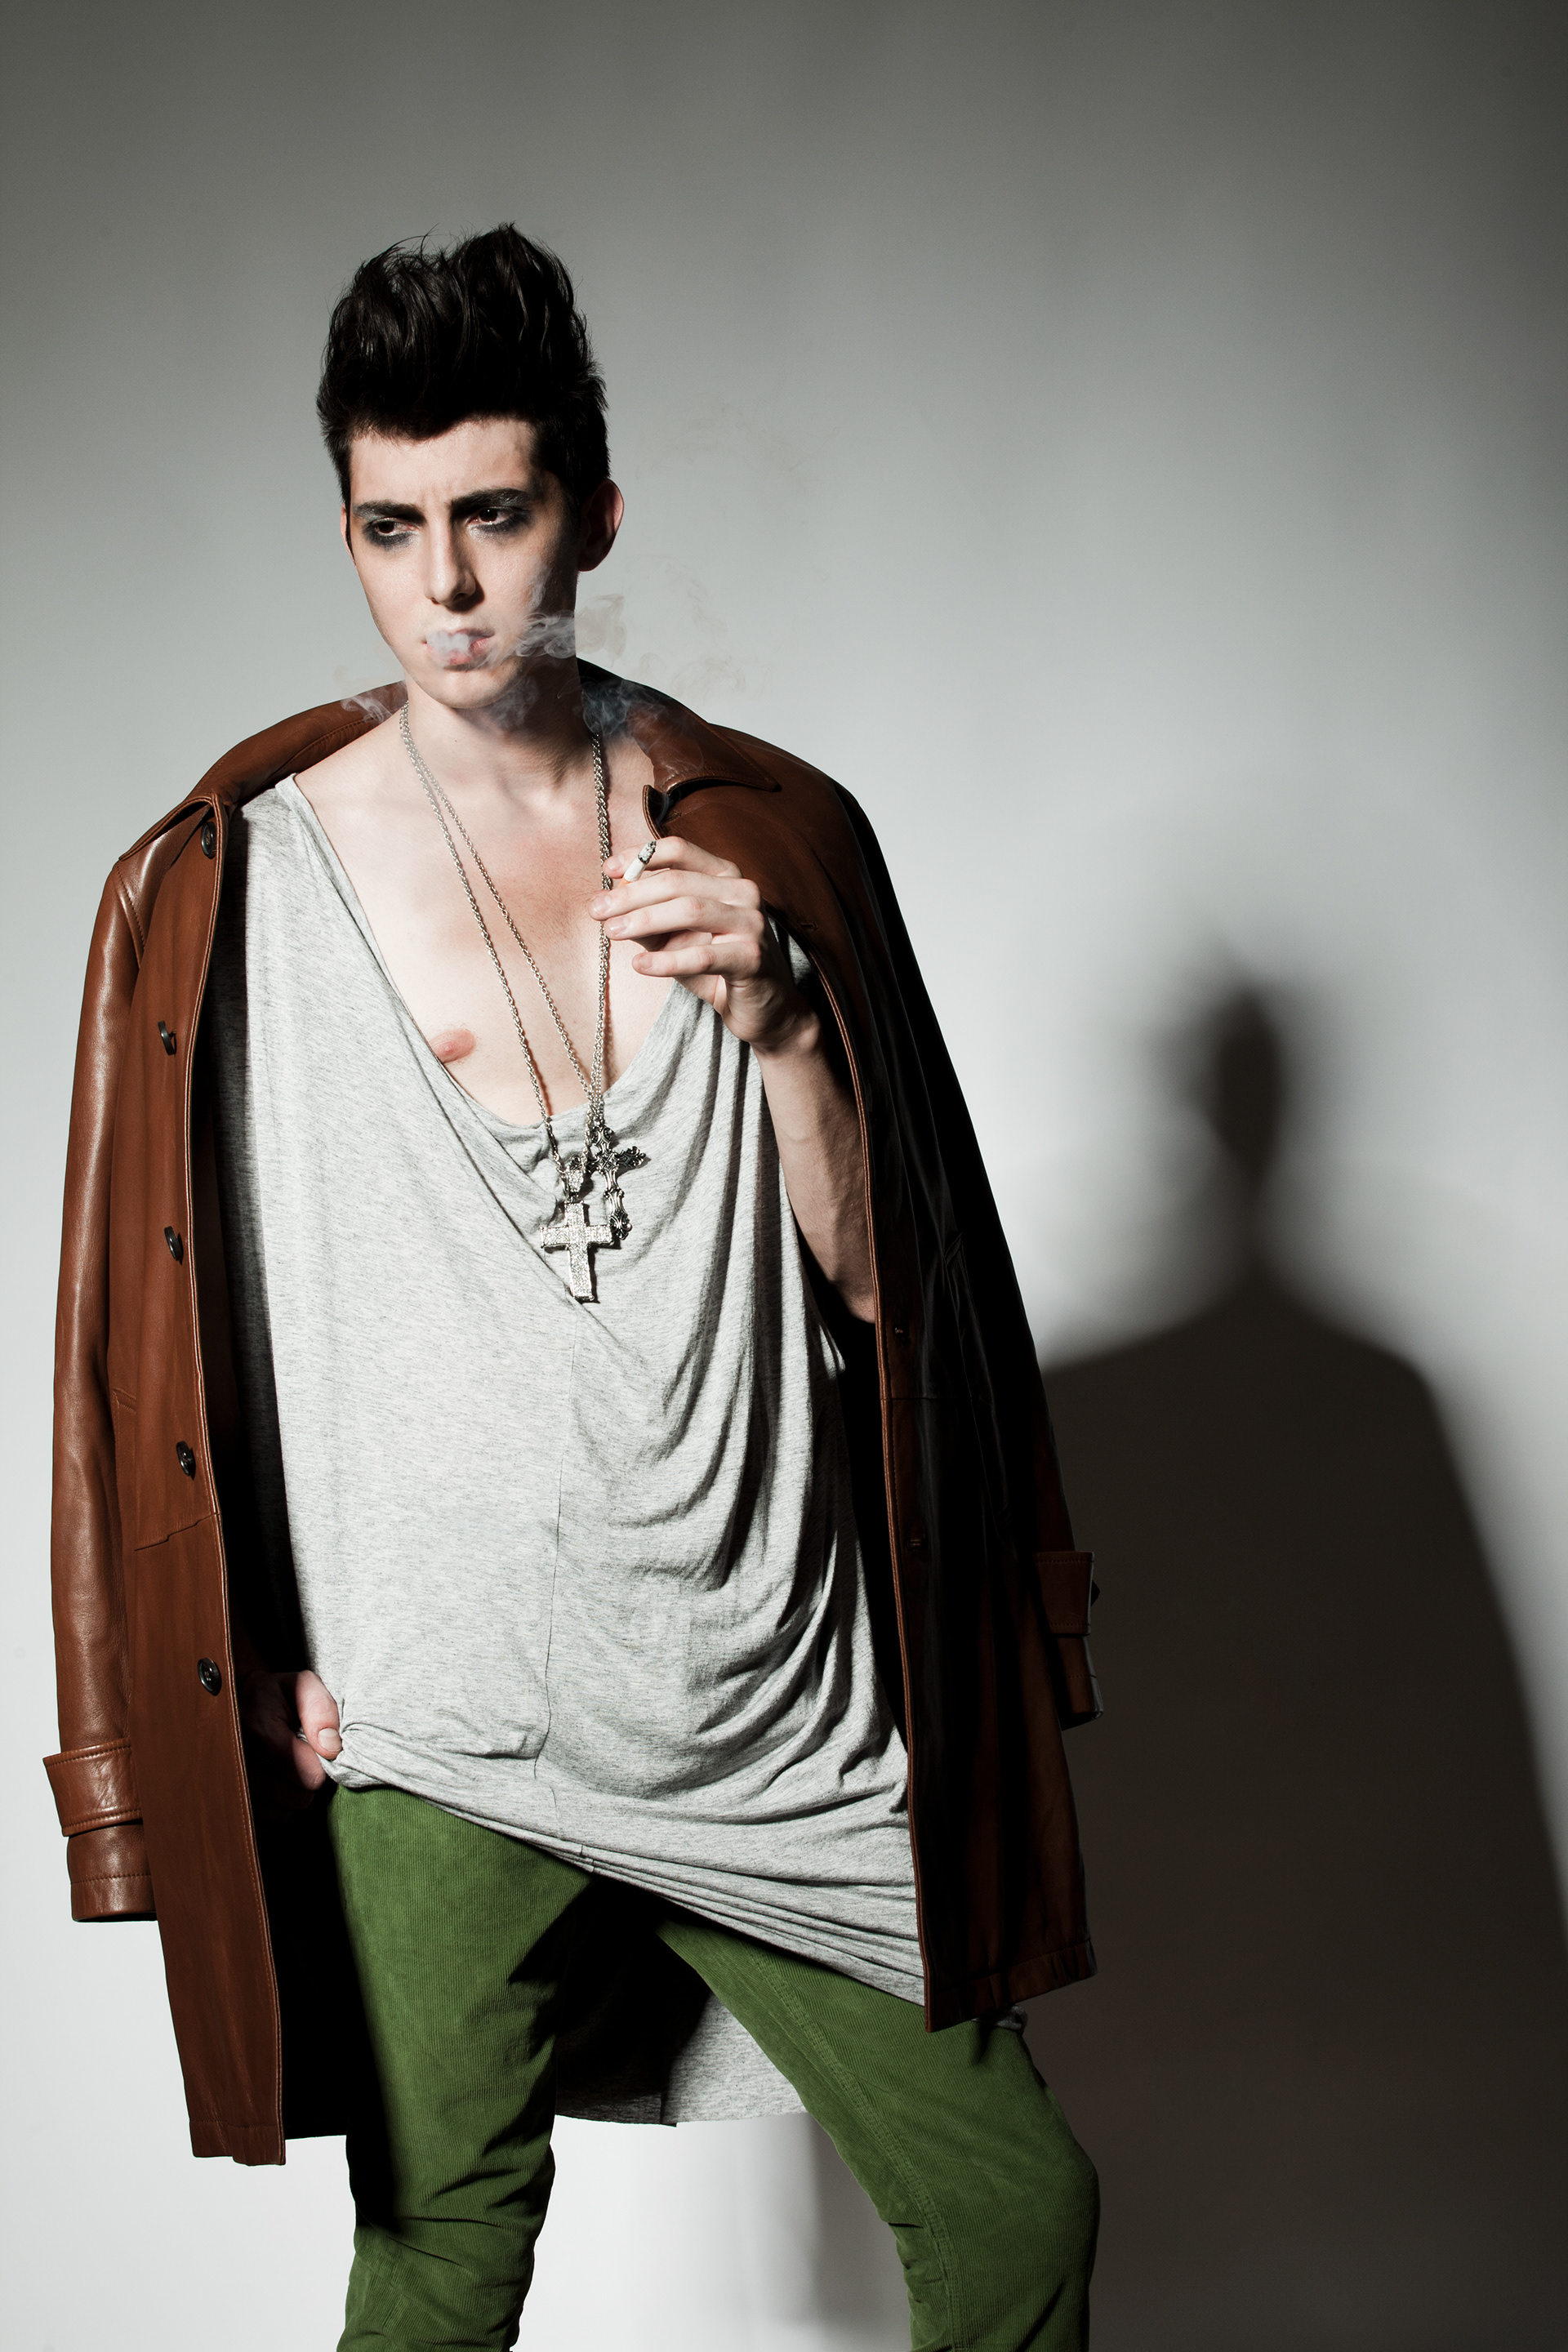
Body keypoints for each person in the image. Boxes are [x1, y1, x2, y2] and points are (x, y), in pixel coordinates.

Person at [44, 225, 1103, 2351]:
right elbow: (140, 1355)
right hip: (438, 1722)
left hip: (769, 1694)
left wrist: (790, 1034)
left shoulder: (777, 838)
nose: (447, 586)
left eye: (496, 516)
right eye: (392, 528)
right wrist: (228, 1661)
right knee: (440, 2265)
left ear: (593, 517)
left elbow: (902, 1303)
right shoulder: (227, 885)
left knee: (1019, 2213)